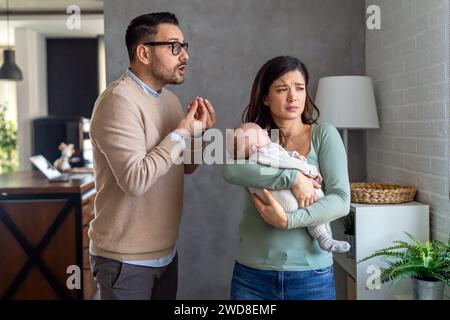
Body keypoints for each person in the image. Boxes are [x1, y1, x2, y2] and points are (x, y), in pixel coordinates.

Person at [88, 12, 216, 300]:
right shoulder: (117, 101)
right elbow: (136, 180)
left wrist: (200, 133)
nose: (184, 55)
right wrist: (182, 132)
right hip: (126, 260)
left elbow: (184, 166)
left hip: (165, 253)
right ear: (144, 52)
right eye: (174, 46)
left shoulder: (169, 100)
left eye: (184, 46)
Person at [223, 56, 350, 300]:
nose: (293, 97)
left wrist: (288, 221)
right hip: (252, 275)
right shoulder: (252, 137)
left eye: (299, 88)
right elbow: (231, 171)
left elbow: (341, 200)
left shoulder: (323, 135)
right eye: (282, 89)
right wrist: (292, 178)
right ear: (265, 97)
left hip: (310, 275)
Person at [227, 122, 350, 253]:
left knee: (312, 199)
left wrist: (296, 156)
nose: (264, 131)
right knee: (317, 197)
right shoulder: (262, 152)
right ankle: (323, 237)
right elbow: (282, 161)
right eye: (260, 132)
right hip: (285, 201)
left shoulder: (258, 155)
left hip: (283, 206)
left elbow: (283, 157)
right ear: (255, 146)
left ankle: (324, 238)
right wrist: (306, 171)